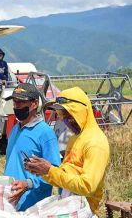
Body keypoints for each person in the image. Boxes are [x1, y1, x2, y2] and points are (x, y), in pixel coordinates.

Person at [24, 87, 110, 216]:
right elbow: (65, 175)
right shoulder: (75, 137)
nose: (63, 118)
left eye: (67, 112)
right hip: (68, 208)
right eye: (60, 114)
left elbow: (88, 186)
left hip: (84, 212)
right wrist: (42, 171)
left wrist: (49, 170)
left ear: (81, 110)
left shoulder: (95, 143)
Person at [4, 83, 61, 211]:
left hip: (32, 206)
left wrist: (28, 183)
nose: (16, 106)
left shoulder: (45, 133)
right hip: (11, 202)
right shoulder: (15, 129)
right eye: (14, 102)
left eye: (20, 102)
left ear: (34, 104)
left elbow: (54, 173)